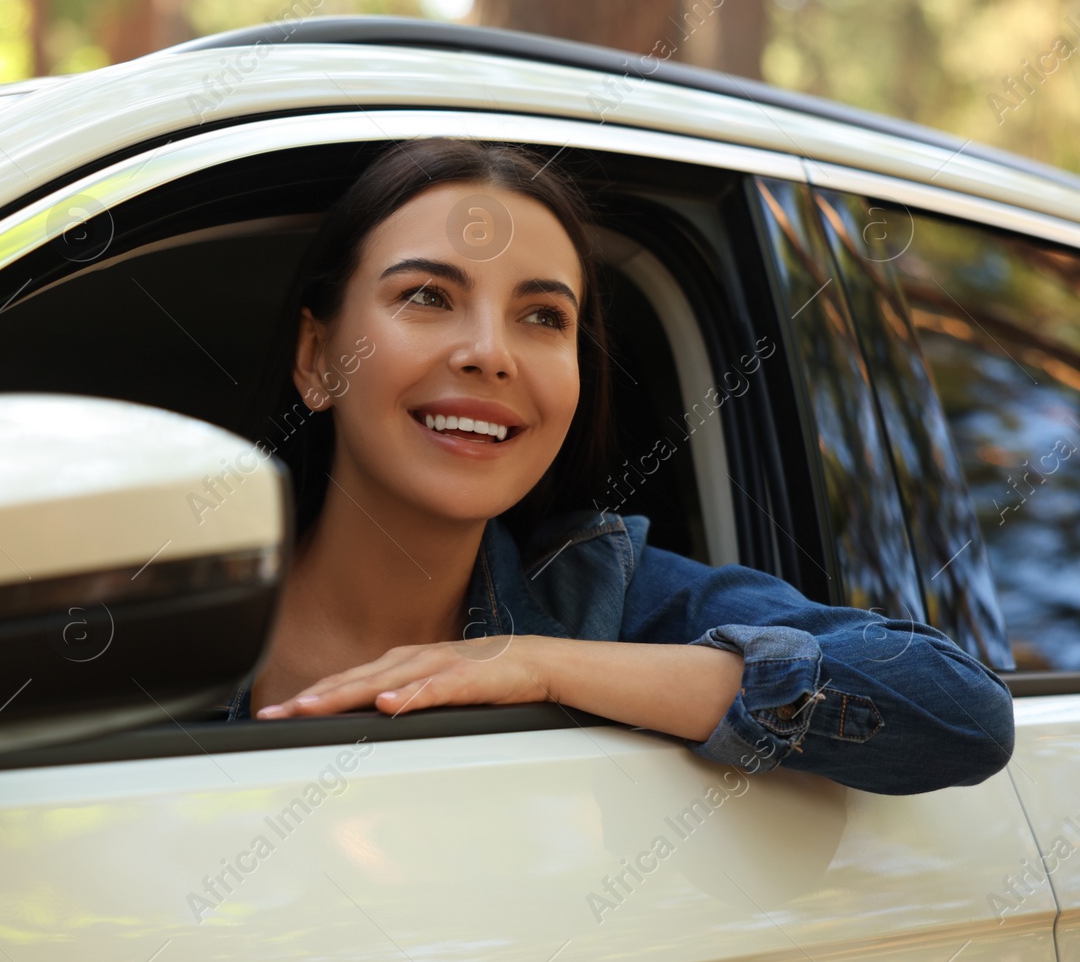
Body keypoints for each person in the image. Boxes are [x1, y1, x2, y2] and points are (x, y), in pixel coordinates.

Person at [216, 137, 1014, 796]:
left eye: (541, 316)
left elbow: (961, 711)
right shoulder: (156, 610)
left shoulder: (601, 592)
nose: (490, 353)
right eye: (427, 296)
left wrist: (537, 663)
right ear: (318, 356)